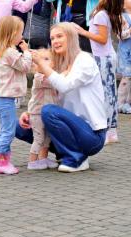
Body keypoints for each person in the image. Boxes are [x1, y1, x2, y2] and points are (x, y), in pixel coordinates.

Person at [17, 23, 108, 172]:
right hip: (68, 127)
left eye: (59, 36)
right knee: (19, 126)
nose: (55, 41)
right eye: (52, 38)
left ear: (71, 38)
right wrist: (30, 113)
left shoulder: (84, 60)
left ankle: (76, 159)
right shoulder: (58, 63)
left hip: (92, 135)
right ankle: (63, 152)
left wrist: (41, 64)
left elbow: (64, 85)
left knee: (49, 111)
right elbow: (49, 97)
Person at [73, 0, 123, 144]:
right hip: (103, 57)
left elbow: (102, 39)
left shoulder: (101, 15)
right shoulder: (102, 12)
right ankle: (110, 129)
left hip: (104, 58)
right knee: (108, 93)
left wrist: (82, 32)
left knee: (107, 94)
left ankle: (109, 129)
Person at [0, 16, 32, 174]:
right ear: (13, 34)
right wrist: (26, 52)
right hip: (5, 98)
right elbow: (25, 66)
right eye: (20, 33)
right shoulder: (10, 52)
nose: (22, 36)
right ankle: (2, 161)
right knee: (9, 130)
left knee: (4, 128)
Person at [26, 48, 58, 170]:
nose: (43, 62)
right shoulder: (39, 77)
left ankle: (43, 158)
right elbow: (53, 82)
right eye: (40, 60)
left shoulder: (52, 76)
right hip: (37, 114)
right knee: (39, 138)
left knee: (47, 138)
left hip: (47, 114)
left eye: (47, 59)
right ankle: (32, 162)